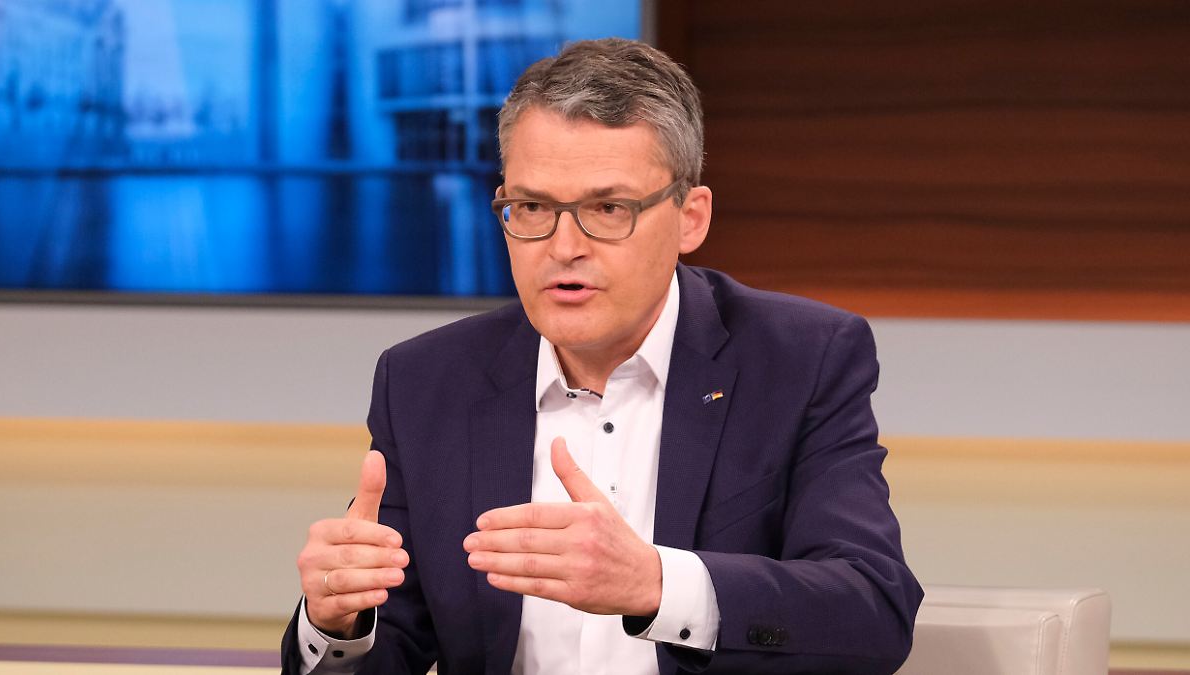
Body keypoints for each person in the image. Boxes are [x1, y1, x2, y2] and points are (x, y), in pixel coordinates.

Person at [282, 38, 922, 675]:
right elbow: (389, 644)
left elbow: (871, 611)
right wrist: (337, 624)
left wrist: (656, 584)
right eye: (532, 207)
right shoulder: (425, 381)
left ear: (691, 218)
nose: (564, 247)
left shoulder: (800, 360)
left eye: (608, 208)